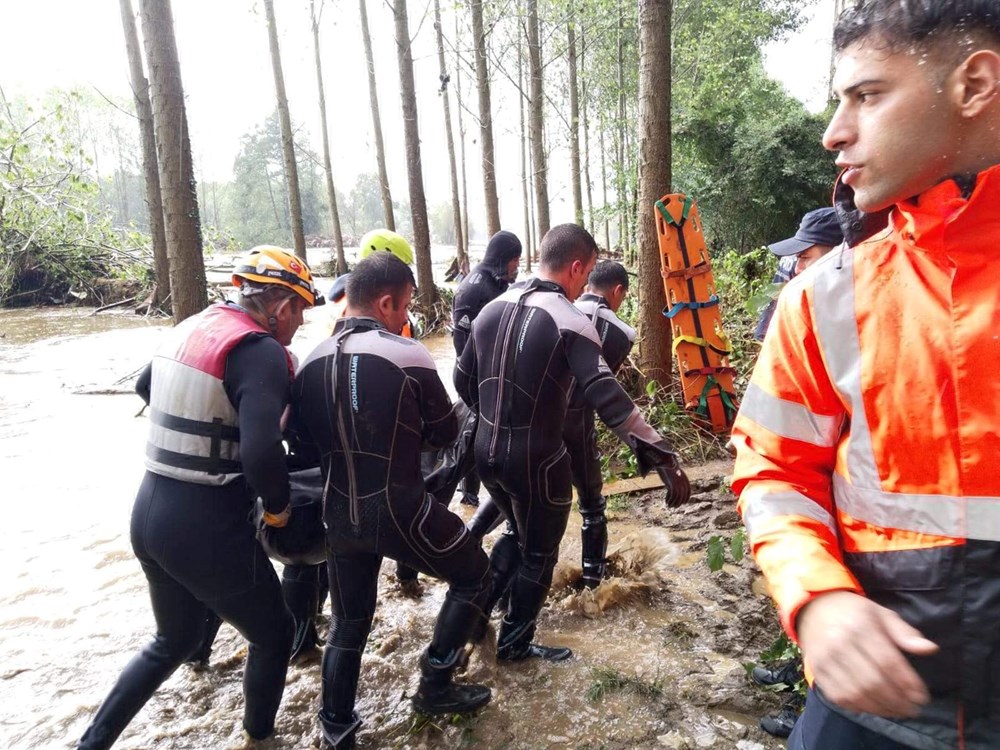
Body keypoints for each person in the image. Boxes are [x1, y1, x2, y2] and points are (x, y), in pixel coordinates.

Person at [731, 2, 1000, 748]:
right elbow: (774, 467)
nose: (834, 132)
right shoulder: (823, 299)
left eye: (867, 94)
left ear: (974, 83)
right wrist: (815, 598)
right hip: (872, 710)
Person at [77, 246, 322, 749]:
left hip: (149, 513)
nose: (298, 322)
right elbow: (259, 455)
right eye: (298, 309)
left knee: (174, 639)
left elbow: (147, 383)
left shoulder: (194, 326)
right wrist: (278, 510)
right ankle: (260, 740)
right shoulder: (260, 352)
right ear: (278, 303)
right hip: (204, 525)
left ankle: (91, 743)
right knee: (273, 635)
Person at [456, 223, 691, 662]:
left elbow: (463, 382)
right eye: (584, 276)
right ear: (577, 266)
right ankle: (514, 646)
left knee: (515, 532)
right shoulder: (570, 320)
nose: (584, 285)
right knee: (539, 554)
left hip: (487, 454)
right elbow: (611, 401)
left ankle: (474, 621)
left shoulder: (491, 309)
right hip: (539, 459)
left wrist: (498, 420)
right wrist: (663, 457)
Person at [291, 252, 492, 750]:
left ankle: (335, 725)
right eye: (403, 308)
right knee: (475, 574)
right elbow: (445, 431)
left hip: (338, 514)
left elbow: (301, 442)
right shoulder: (408, 354)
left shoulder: (309, 360)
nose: (406, 318)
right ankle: (435, 683)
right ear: (385, 302)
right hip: (401, 508)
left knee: (348, 622)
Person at [283, 229, 423, 663]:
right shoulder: (386, 319)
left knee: (314, 554)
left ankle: (301, 641)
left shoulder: (336, 305)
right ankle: (315, 631)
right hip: (363, 456)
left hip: (318, 443)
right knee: (351, 547)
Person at [745, 207, 843, 739]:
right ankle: (798, 669)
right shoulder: (808, 297)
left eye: (805, 256)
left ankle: (812, 701)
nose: (795, 267)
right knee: (806, 583)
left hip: (839, 489)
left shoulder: (851, 302)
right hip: (797, 472)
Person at [564, 260, 636, 589]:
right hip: (578, 425)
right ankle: (594, 581)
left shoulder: (558, 309)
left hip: (536, 425)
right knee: (591, 504)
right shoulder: (622, 333)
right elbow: (602, 389)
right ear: (617, 291)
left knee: (514, 507)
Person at [450, 230, 523, 507]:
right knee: (471, 438)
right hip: (474, 379)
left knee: (487, 437)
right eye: (515, 261)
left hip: (494, 375)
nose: (517, 267)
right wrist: (476, 387)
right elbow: (461, 343)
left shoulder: (499, 283)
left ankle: (480, 497)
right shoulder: (474, 288)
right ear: (503, 259)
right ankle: (467, 499)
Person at [752, 207, 844, 342]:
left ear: (840, 254)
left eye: (805, 258)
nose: (797, 268)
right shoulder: (793, 268)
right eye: (799, 257)